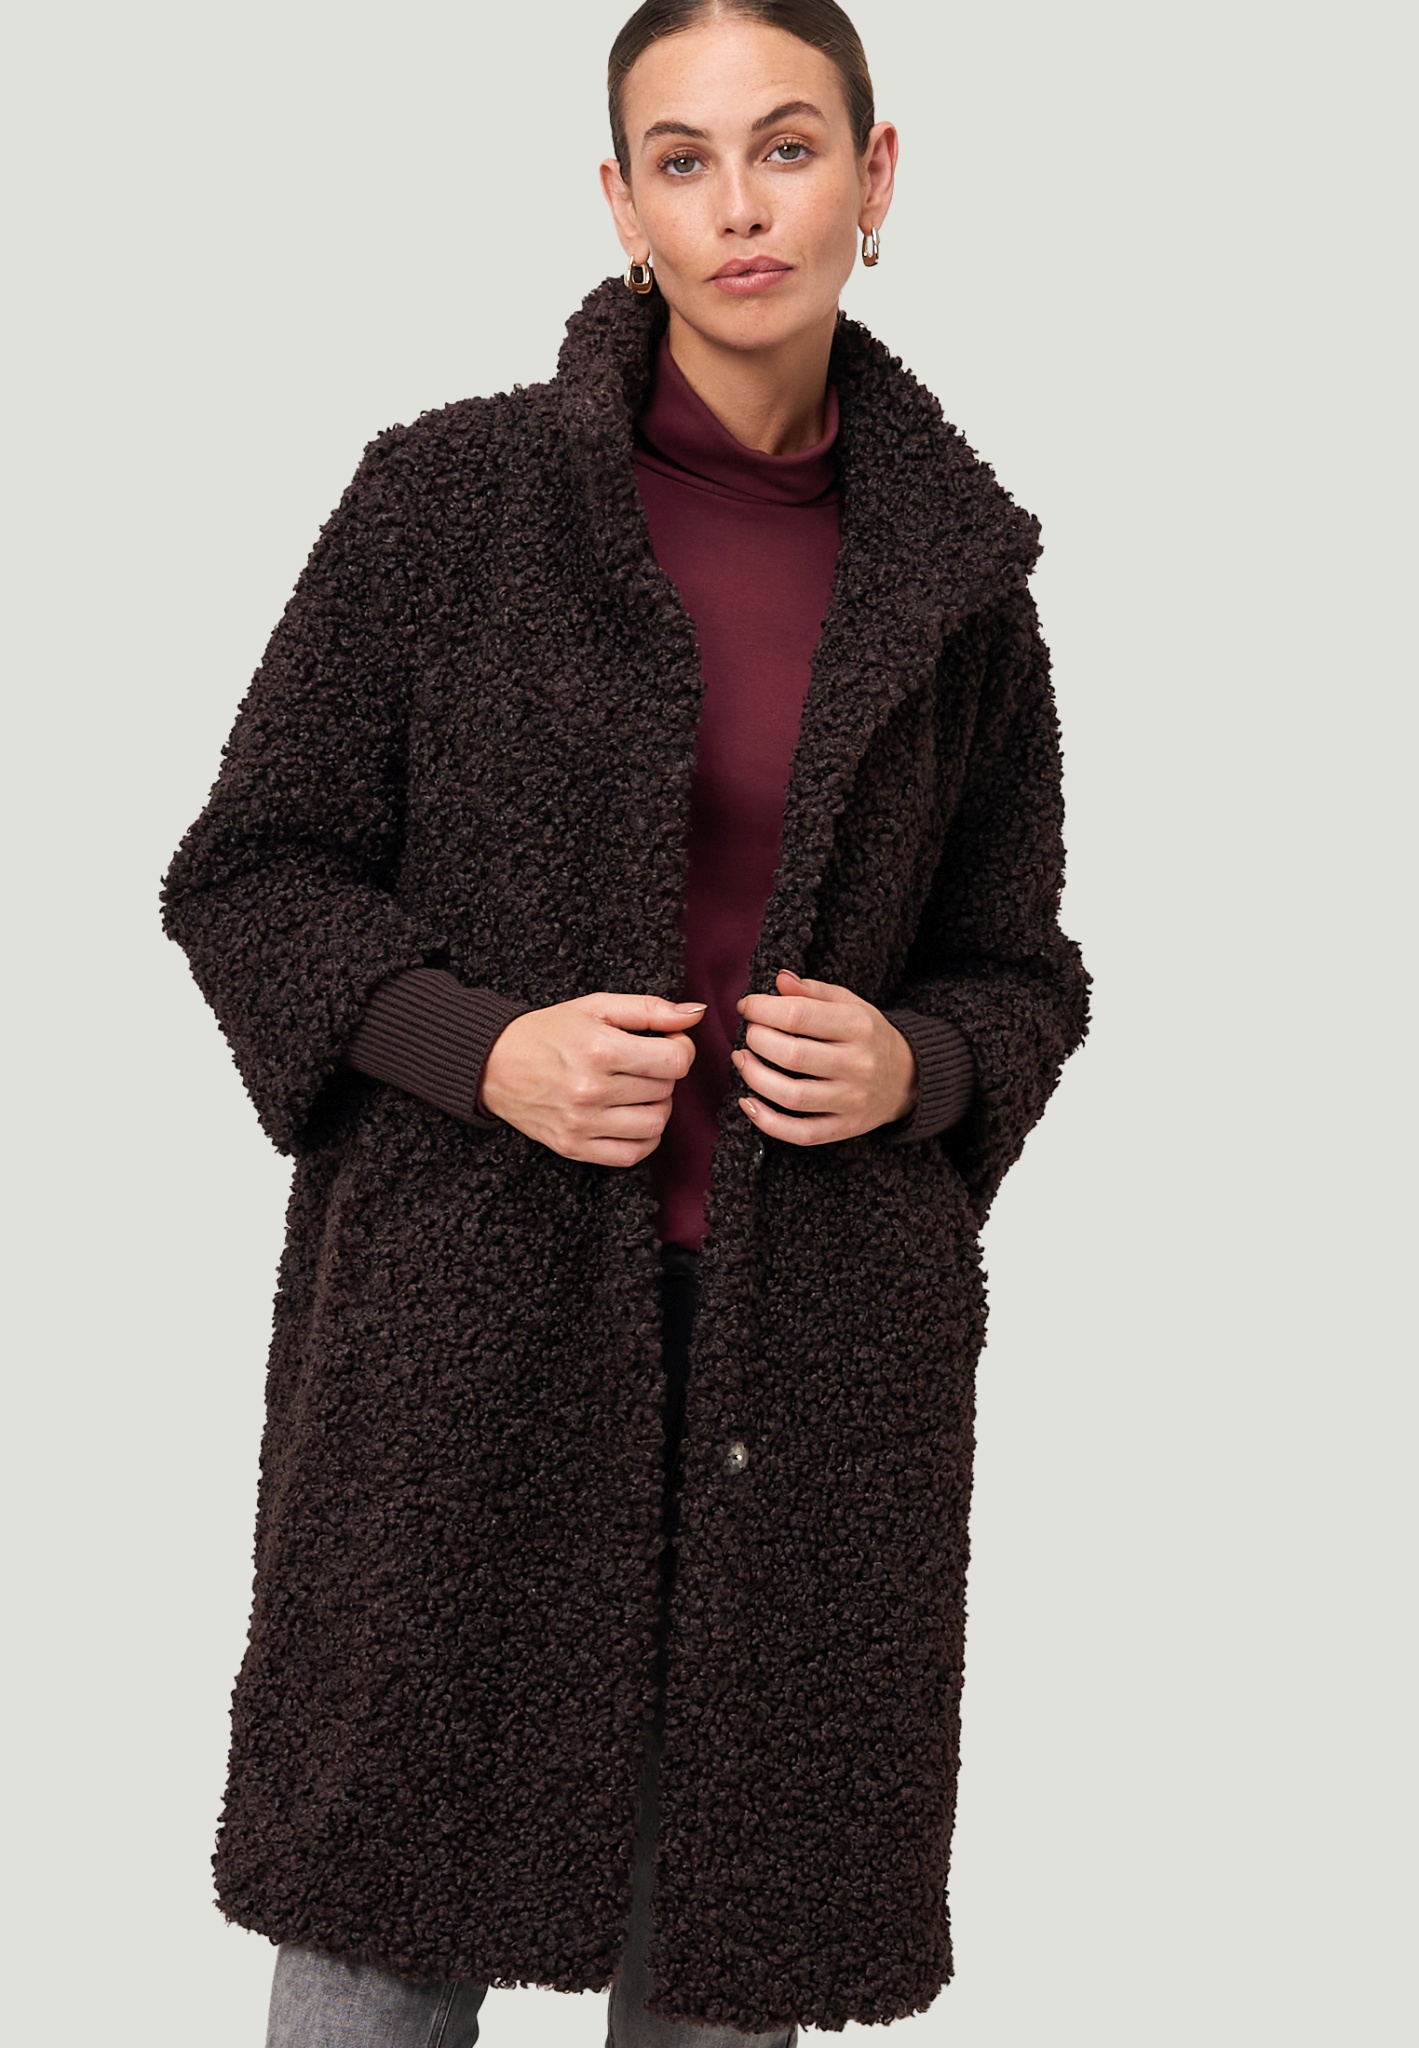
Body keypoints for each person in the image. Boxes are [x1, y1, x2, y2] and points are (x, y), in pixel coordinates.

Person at [158, 2, 1091, 2043]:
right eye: (683, 159)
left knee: (728, 1965)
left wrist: (920, 1065)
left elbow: (1019, 969)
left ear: (875, 177)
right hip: (466, 1342)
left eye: (786, 146)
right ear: (620, 203)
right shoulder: (450, 501)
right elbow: (252, 873)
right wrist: (478, 1047)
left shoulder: (962, 589)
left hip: (811, 1364)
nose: (739, 203)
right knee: (375, 1947)